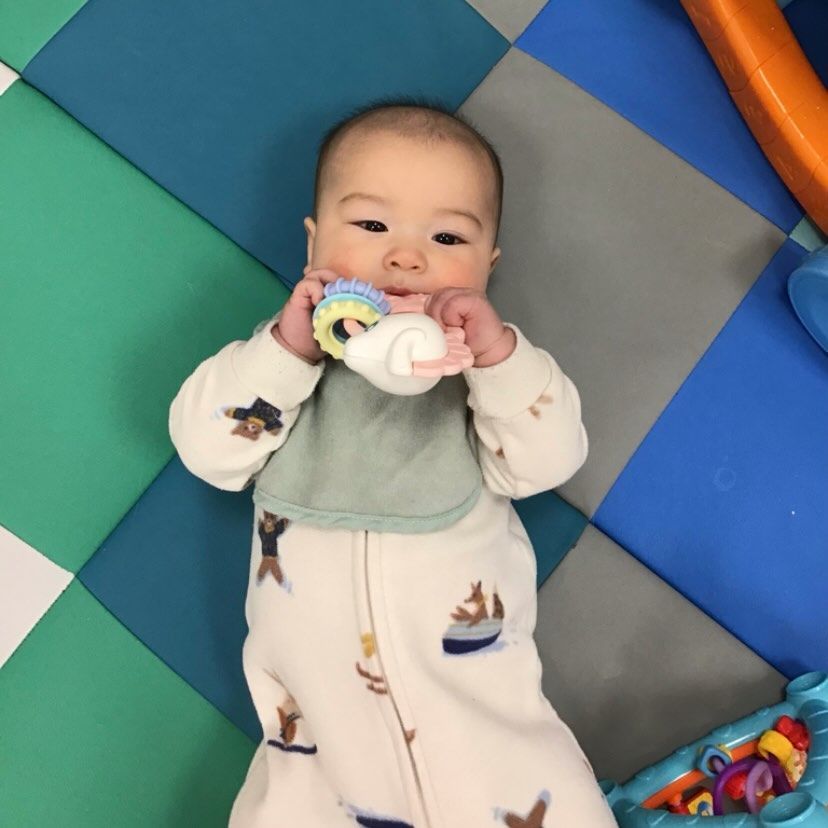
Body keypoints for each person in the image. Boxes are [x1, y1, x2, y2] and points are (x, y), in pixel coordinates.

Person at [168, 97, 617, 827]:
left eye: (446, 236)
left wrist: (500, 357)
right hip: (312, 749)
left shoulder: (479, 376)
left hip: (490, 737)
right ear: (314, 245)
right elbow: (205, 450)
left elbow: (547, 461)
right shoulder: (281, 368)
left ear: (488, 264)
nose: (406, 256)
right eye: (371, 225)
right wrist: (286, 352)